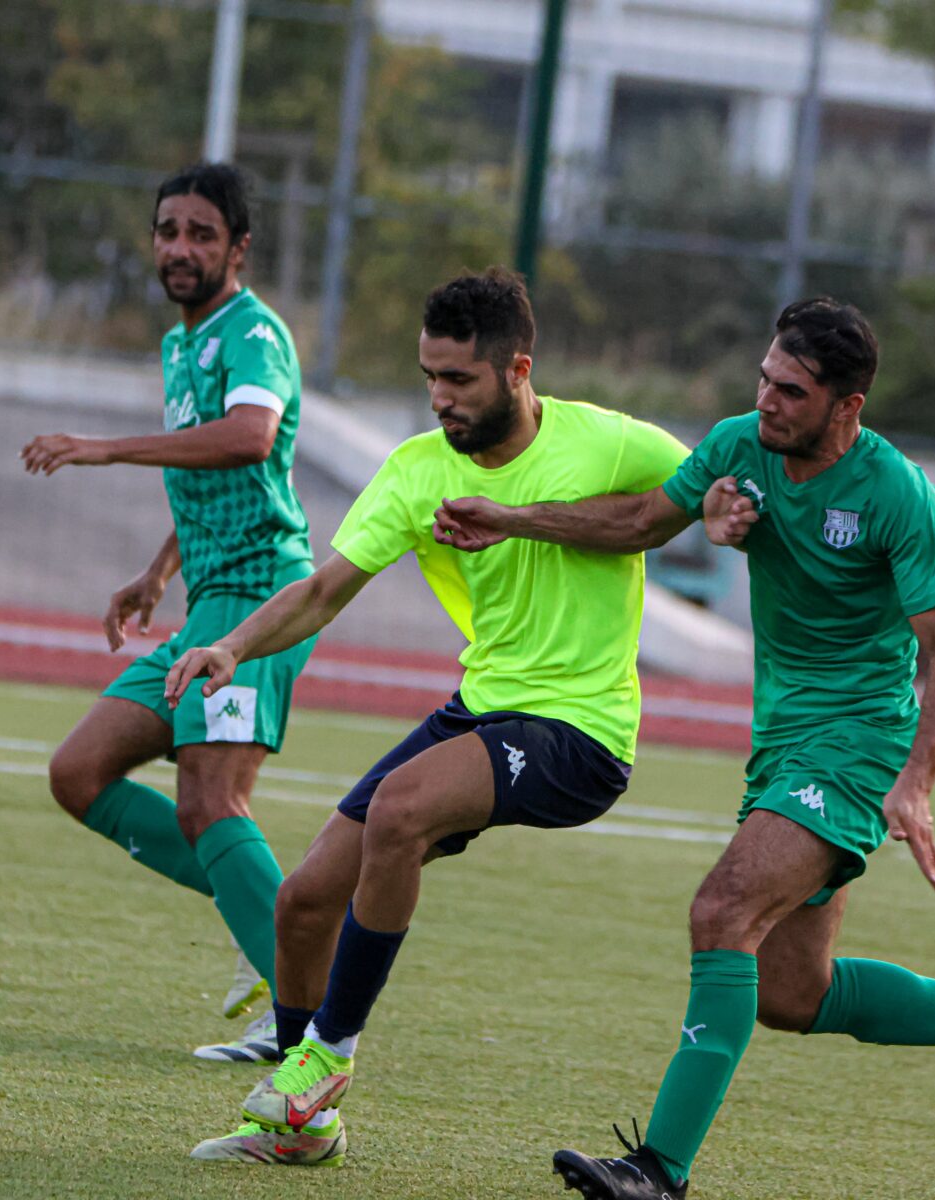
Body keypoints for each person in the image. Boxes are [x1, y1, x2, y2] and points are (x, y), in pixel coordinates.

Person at [433, 298, 935, 1199]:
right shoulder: (742, 446)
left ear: (847, 407)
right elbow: (636, 523)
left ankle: (657, 1172)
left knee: (722, 910)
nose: (768, 402)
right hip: (782, 743)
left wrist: (917, 780)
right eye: (765, 380)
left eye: (792, 391)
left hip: (857, 744)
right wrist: (512, 518)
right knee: (791, 994)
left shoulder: (897, 493)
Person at [169, 267, 689, 1166]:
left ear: (517, 369)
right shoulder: (417, 471)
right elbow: (326, 588)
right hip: (481, 709)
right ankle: (307, 1129)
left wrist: (525, 517)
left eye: (460, 380)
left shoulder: (607, 443)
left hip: (583, 729)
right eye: (429, 379)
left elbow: (681, 501)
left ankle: (326, 1059)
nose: (440, 399)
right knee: (303, 903)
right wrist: (234, 648)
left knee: (401, 812)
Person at [20, 162, 315, 1063]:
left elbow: (250, 437)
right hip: (202, 606)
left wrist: (106, 450)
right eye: (167, 231)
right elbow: (208, 468)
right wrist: (156, 573)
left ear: (238, 248)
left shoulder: (252, 333)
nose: (179, 248)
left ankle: (304, 1025)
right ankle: (264, 913)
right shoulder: (179, 343)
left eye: (200, 233)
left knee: (210, 801)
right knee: (80, 772)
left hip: (261, 601)